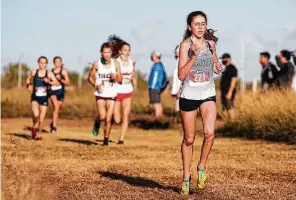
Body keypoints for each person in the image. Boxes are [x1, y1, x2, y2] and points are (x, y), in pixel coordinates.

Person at [178, 11, 223, 195]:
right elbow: (181, 75)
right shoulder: (184, 45)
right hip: (189, 95)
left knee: (209, 133)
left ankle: (202, 167)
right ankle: (186, 177)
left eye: (203, 23)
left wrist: (218, 67)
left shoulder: (211, 44)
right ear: (190, 27)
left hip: (207, 93)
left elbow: (215, 65)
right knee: (189, 139)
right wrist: (194, 57)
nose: (200, 27)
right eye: (196, 24)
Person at [88, 42, 122, 146]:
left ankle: (106, 139)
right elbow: (89, 78)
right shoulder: (97, 63)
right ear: (101, 53)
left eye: (109, 52)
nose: (107, 54)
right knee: (102, 116)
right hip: (100, 93)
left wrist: (115, 77)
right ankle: (97, 122)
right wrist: (96, 85)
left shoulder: (115, 63)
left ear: (112, 53)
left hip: (111, 93)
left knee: (108, 118)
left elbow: (120, 80)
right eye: (104, 52)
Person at [107, 35, 136, 145]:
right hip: (116, 91)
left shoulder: (132, 62)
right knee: (117, 119)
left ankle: (121, 139)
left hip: (128, 91)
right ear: (120, 51)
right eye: (125, 50)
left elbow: (133, 73)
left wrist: (133, 78)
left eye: (129, 50)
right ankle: (105, 123)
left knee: (126, 115)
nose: (127, 52)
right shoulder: (115, 62)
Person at [26, 56, 59, 140]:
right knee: (36, 114)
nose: (42, 64)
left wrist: (49, 82)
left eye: (44, 63)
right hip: (35, 97)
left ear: (46, 64)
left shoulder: (49, 73)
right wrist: (29, 85)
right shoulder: (34, 72)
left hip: (44, 98)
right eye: (41, 62)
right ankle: (34, 127)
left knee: (41, 118)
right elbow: (28, 79)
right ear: (38, 63)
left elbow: (57, 83)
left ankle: (38, 134)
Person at [48, 56, 70, 133]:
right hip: (52, 92)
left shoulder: (63, 71)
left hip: (61, 92)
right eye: (56, 62)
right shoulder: (50, 71)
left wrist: (60, 79)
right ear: (53, 63)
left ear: (61, 62)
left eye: (59, 62)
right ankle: (54, 127)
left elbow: (68, 83)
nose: (57, 63)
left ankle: (52, 123)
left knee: (56, 110)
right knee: (56, 107)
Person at [148, 51, 168, 118]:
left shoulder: (157, 66)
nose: (151, 56)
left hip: (155, 87)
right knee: (157, 103)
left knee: (156, 104)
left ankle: (158, 118)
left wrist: (152, 87)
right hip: (157, 87)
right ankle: (159, 118)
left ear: (155, 56)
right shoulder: (160, 65)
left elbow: (155, 77)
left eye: (153, 55)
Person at [220, 53, 238, 121]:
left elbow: (234, 80)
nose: (223, 60)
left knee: (230, 107)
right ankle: (227, 123)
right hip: (224, 92)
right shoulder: (226, 68)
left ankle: (233, 123)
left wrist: (230, 92)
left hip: (229, 92)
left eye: (225, 58)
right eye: (223, 59)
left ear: (229, 59)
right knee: (225, 107)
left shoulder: (232, 68)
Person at [171, 45, 182, 112]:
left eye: (176, 51)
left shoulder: (181, 61)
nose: (175, 53)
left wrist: (179, 89)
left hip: (181, 88)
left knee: (180, 107)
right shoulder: (178, 61)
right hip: (179, 89)